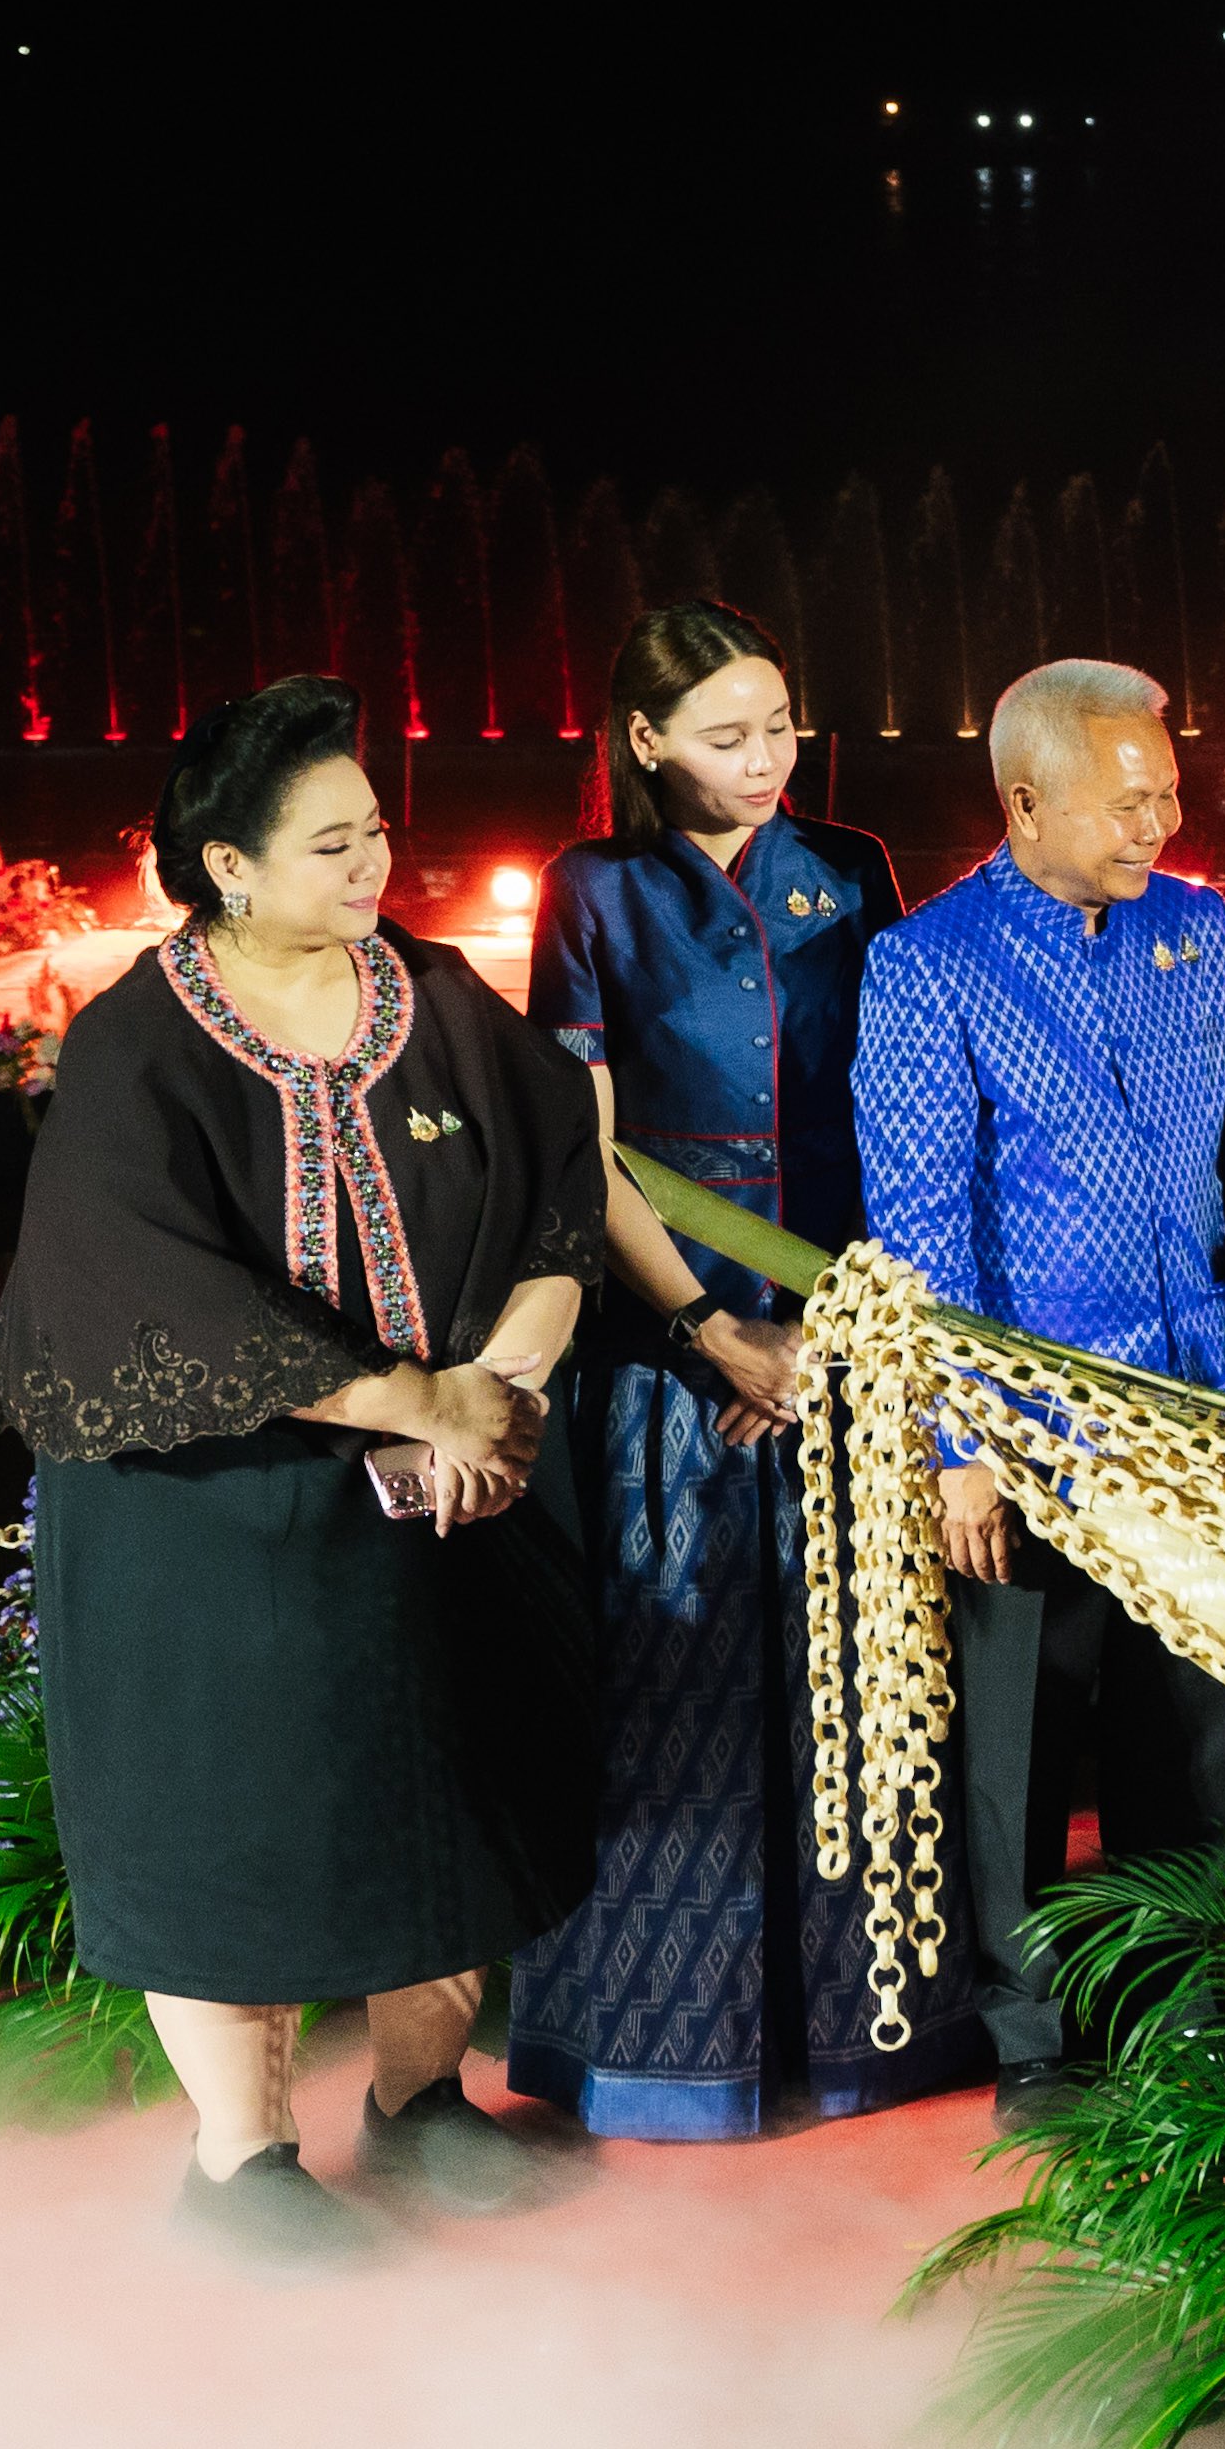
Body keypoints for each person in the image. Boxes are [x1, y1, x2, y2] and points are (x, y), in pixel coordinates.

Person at [0, 673, 602, 2266]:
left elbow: (558, 1184)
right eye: (331, 844)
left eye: (375, 830)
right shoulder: (137, 1047)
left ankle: (422, 2098)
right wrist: (412, 1398)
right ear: (226, 865)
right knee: (229, 1818)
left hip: (436, 1499)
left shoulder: (436, 996)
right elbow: (145, 1288)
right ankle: (240, 2159)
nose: (372, 863)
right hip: (208, 1514)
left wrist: (493, 1391)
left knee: (445, 1789)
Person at [500, 601, 955, 2141]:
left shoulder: (850, 869)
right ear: (644, 741)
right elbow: (583, 1147)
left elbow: (902, 1102)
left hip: (841, 1323)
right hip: (669, 1344)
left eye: (778, 727)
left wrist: (848, 1319)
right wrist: (707, 1327)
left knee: (858, 1678)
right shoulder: (593, 890)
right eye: (724, 736)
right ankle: (665, 2052)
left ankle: (862, 2034)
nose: (765, 761)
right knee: (676, 1680)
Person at [854, 657, 1225, 2122]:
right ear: (1025, 803)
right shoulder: (927, 962)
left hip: (1190, 1404)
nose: (1160, 822)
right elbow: (917, 1226)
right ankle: (1031, 2036)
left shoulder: (1195, 929)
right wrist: (957, 1441)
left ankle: (1186, 2006)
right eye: (1127, 799)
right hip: (1022, 1427)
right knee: (1020, 1743)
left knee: (1189, 1733)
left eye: (1168, 792)